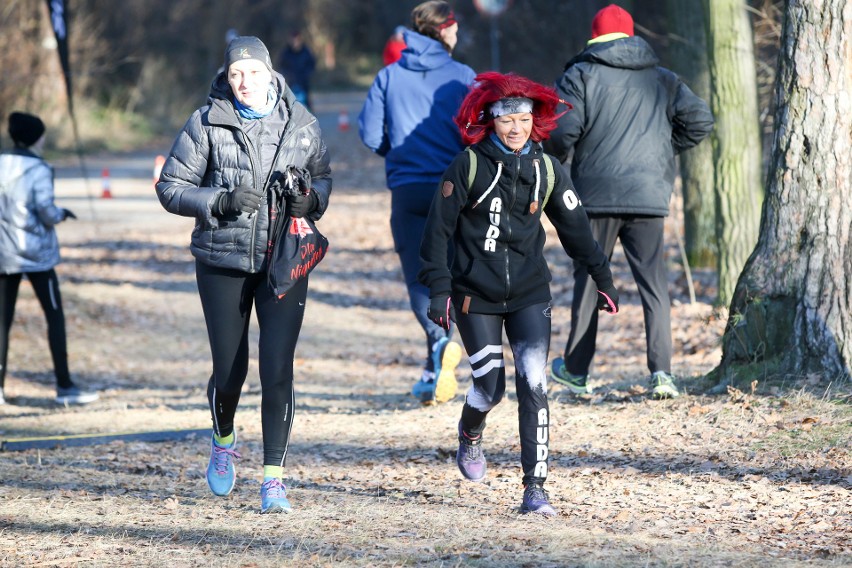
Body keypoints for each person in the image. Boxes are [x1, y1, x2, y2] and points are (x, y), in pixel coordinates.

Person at [418, 72, 619, 516]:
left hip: (530, 293)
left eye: (523, 119)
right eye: (506, 119)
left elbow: (577, 229)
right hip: (476, 295)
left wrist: (602, 276)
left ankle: (536, 489)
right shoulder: (468, 165)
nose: (516, 128)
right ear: (490, 121)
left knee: (535, 385)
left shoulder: (546, 168)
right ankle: (470, 433)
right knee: (491, 389)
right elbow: (437, 232)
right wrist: (439, 288)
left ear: (535, 121)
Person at [155, 36, 332, 514]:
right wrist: (219, 201)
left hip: (284, 262)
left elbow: (323, 179)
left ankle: (273, 478)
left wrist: (309, 201)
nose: (243, 82)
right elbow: (170, 187)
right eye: (235, 74)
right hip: (222, 261)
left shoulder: (303, 123)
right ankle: (223, 437)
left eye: (252, 73)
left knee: (278, 370)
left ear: (270, 74)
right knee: (230, 373)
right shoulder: (206, 121)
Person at [545, 4, 714, 399]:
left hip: (595, 196)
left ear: (595, 37)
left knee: (589, 281)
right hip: (647, 195)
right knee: (654, 285)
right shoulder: (663, 78)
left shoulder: (580, 75)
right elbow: (701, 121)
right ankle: (663, 375)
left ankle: (576, 371)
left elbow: (561, 133)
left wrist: (567, 157)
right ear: (631, 35)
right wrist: (660, 153)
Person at [359, 0, 475, 405]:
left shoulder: (389, 77)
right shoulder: (463, 77)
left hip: (408, 189)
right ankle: (452, 354)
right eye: (455, 28)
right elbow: (476, 132)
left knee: (418, 277)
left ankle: (438, 349)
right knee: (454, 273)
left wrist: (401, 153)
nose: (457, 35)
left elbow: (372, 135)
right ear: (443, 30)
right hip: (455, 188)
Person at [0, 112, 99, 406]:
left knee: (3, 321)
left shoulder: (1, 162)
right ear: (36, 138)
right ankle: (64, 385)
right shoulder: (39, 168)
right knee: (54, 316)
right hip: (36, 256)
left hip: (4, 254)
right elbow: (45, 211)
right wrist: (61, 214)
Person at [277, 30, 316, 110]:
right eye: (292, 40)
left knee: (306, 102)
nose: (294, 42)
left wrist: (307, 73)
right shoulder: (286, 53)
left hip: (303, 82)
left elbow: (311, 64)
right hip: (290, 82)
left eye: (296, 40)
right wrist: (286, 75)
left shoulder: (306, 51)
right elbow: (281, 66)